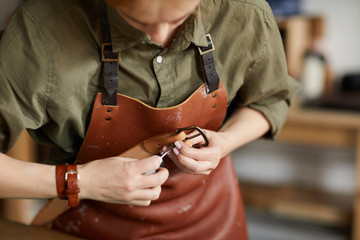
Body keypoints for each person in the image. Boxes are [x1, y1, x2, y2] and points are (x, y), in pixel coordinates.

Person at [0, 0, 300, 239]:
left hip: (211, 221)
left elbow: (270, 99)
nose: (159, 36)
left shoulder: (243, 11)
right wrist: (80, 181)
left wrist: (225, 142)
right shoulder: (41, 28)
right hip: (90, 225)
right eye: (138, 22)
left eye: (180, 18)